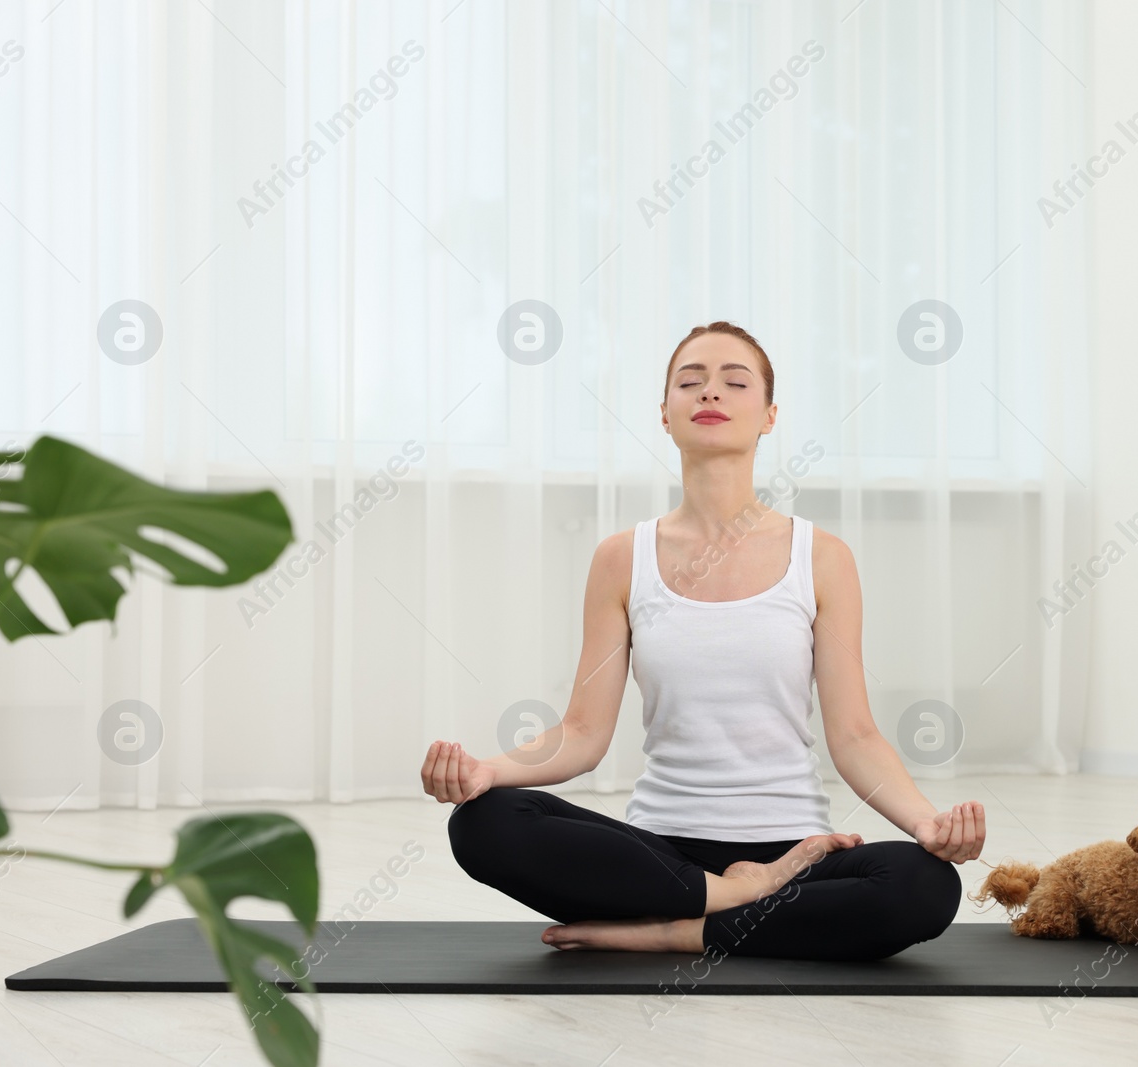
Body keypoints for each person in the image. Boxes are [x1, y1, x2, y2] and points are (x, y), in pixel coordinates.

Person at [422, 320, 985, 962]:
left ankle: (677, 929)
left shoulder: (821, 558)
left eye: (734, 382)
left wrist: (926, 825)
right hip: (659, 857)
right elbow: (581, 735)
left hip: (791, 854)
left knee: (924, 885)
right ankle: (723, 900)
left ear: (769, 416)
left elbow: (855, 736)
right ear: (665, 415)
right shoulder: (620, 558)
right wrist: (481, 772)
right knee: (483, 822)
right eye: (690, 382)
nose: (709, 393)